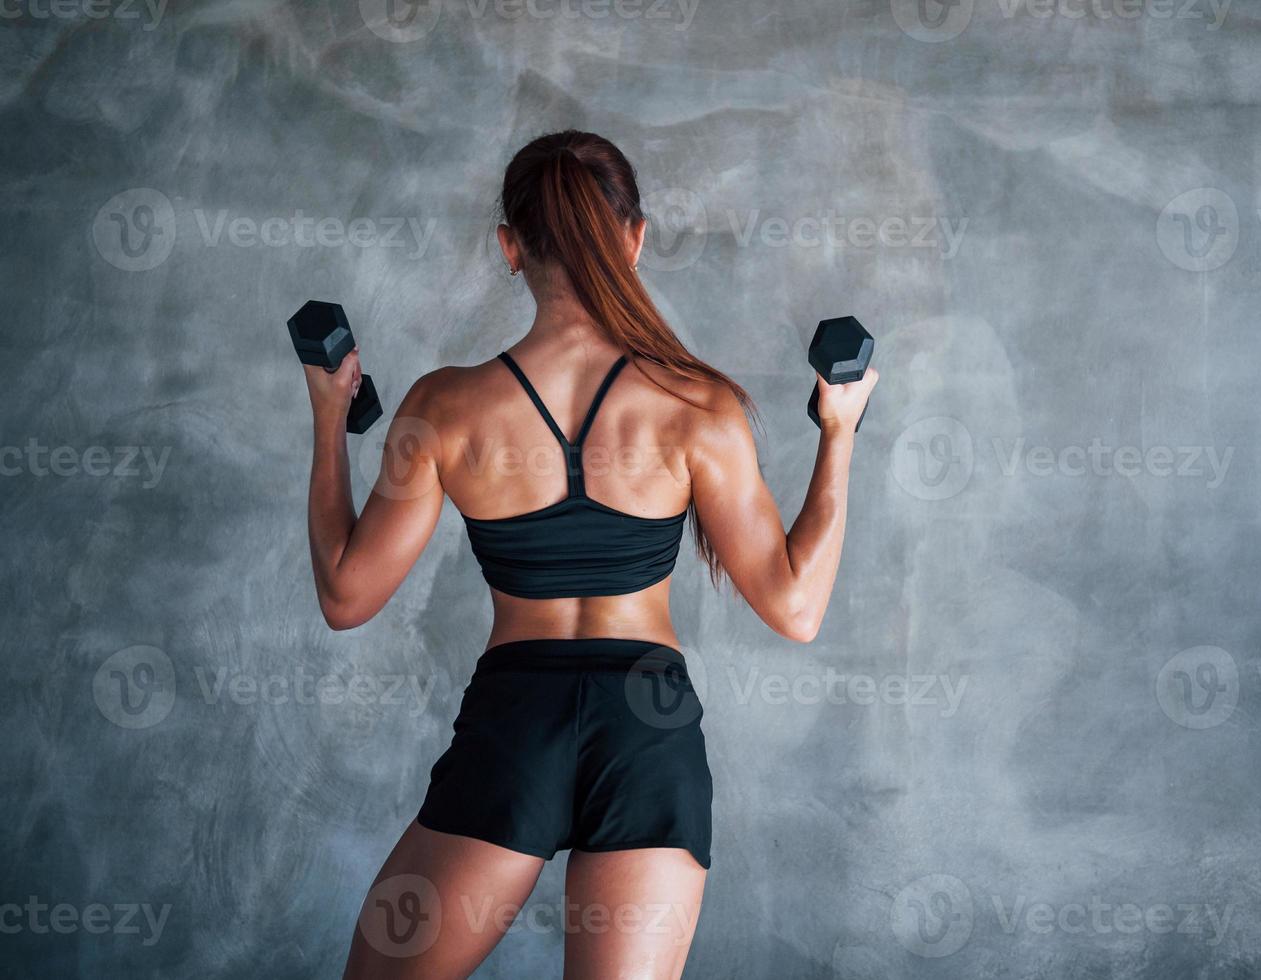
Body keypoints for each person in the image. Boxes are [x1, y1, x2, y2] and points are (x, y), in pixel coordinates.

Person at [300, 130, 878, 978]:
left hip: (514, 724)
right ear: (635, 238)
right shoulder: (699, 407)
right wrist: (840, 432)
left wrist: (326, 415)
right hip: (648, 729)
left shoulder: (446, 407)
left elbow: (346, 596)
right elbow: (795, 607)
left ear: (509, 248)